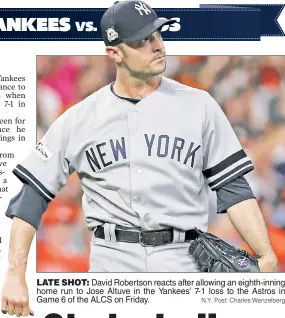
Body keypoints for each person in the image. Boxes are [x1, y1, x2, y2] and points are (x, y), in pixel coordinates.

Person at [1, 0, 278, 316]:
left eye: (157, 34)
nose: (157, 45)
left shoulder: (200, 105)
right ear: (114, 53)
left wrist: (265, 252)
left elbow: (234, 188)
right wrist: (14, 272)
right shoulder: (79, 117)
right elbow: (30, 197)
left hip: (184, 259)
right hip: (112, 263)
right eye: (142, 40)